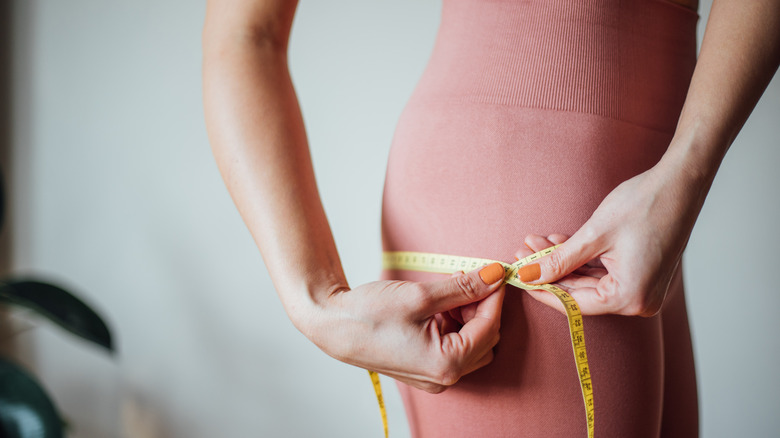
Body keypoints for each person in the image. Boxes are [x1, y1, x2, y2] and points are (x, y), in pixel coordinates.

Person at [202, 0, 780, 436]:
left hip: (654, 203)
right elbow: (245, 32)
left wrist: (685, 171)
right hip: (513, 199)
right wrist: (316, 306)